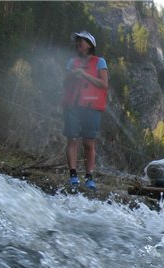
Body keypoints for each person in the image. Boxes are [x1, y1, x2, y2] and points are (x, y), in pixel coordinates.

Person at [62, 31, 108, 189]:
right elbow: (65, 82)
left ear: (89, 44)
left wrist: (85, 75)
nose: (78, 44)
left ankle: (89, 177)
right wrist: (73, 75)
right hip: (73, 106)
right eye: (77, 42)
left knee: (89, 144)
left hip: (91, 107)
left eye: (81, 41)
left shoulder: (100, 62)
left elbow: (104, 84)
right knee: (72, 139)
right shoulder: (71, 62)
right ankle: (73, 175)